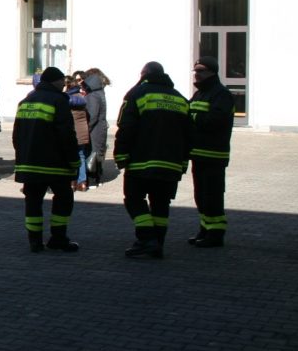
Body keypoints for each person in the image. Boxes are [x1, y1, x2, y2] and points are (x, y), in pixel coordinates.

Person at [113, 61, 191, 259]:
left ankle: (147, 239)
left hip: (141, 162)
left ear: (144, 74)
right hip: (171, 164)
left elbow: (126, 127)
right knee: (161, 204)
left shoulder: (137, 94)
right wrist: (183, 163)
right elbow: (189, 135)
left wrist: (121, 155)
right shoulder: (180, 99)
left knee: (134, 199)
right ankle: (158, 244)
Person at [13, 66, 80, 253]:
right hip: (55, 164)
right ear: (55, 81)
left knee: (33, 202)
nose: (64, 85)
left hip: (30, 164)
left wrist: (22, 158)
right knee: (64, 199)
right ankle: (58, 238)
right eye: (62, 82)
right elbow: (66, 134)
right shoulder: (59, 101)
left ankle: (35, 242)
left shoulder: (26, 101)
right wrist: (74, 161)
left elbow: (17, 135)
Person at [187, 56, 235, 248]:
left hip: (214, 155)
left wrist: (191, 118)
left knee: (212, 196)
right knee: (201, 195)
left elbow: (215, 121)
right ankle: (205, 228)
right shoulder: (200, 94)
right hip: (198, 154)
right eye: (195, 71)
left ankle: (216, 234)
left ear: (211, 73)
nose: (196, 74)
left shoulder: (221, 94)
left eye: (201, 71)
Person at [83, 68, 111, 188]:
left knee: (92, 153)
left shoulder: (93, 95)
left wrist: (86, 129)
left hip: (95, 130)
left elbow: (92, 115)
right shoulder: (100, 92)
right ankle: (97, 178)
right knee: (98, 153)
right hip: (100, 128)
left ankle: (92, 179)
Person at [67, 75, 91, 191]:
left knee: (70, 157)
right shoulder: (82, 98)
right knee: (81, 156)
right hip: (82, 133)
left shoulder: (67, 100)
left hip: (71, 133)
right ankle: (82, 183)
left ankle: (72, 182)